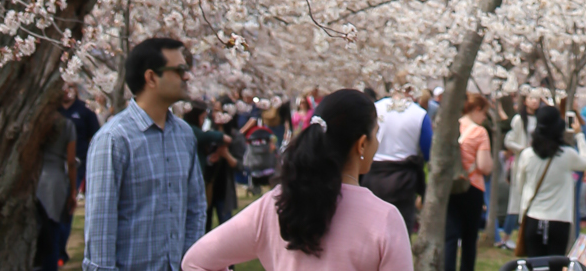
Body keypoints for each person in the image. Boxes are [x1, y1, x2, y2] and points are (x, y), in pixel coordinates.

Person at [180, 87, 410, 270]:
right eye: (375, 134)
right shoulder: (384, 219)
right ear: (361, 143)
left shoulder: (275, 204)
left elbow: (196, 261)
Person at [84, 37, 206, 271]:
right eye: (179, 70)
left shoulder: (184, 135)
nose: (187, 76)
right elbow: (101, 226)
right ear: (151, 77)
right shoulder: (114, 139)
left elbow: (195, 208)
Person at [512, 101, 586, 262]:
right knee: (555, 266)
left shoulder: (527, 156)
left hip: (533, 218)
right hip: (559, 220)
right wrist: (579, 134)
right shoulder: (566, 155)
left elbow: (520, 187)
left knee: (535, 266)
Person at [365, 87, 426, 233]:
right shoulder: (419, 113)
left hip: (374, 175)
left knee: (371, 228)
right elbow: (427, 149)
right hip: (403, 179)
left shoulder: (376, 108)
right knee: (400, 230)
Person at [445, 89, 494, 271]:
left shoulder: (451, 127)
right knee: (469, 239)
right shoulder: (479, 132)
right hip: (472, 186)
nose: (484, 117)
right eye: (484, 113)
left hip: (451, 186)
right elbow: (484, 165)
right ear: (477, 109)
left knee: (450, 236)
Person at [34, 95, 78, 271]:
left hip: (36, 178)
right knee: (52, 231)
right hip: (56, 181)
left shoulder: (36, 124)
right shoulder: (67, 125)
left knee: (36, 228)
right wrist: (73, 190)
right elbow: (71, 161)